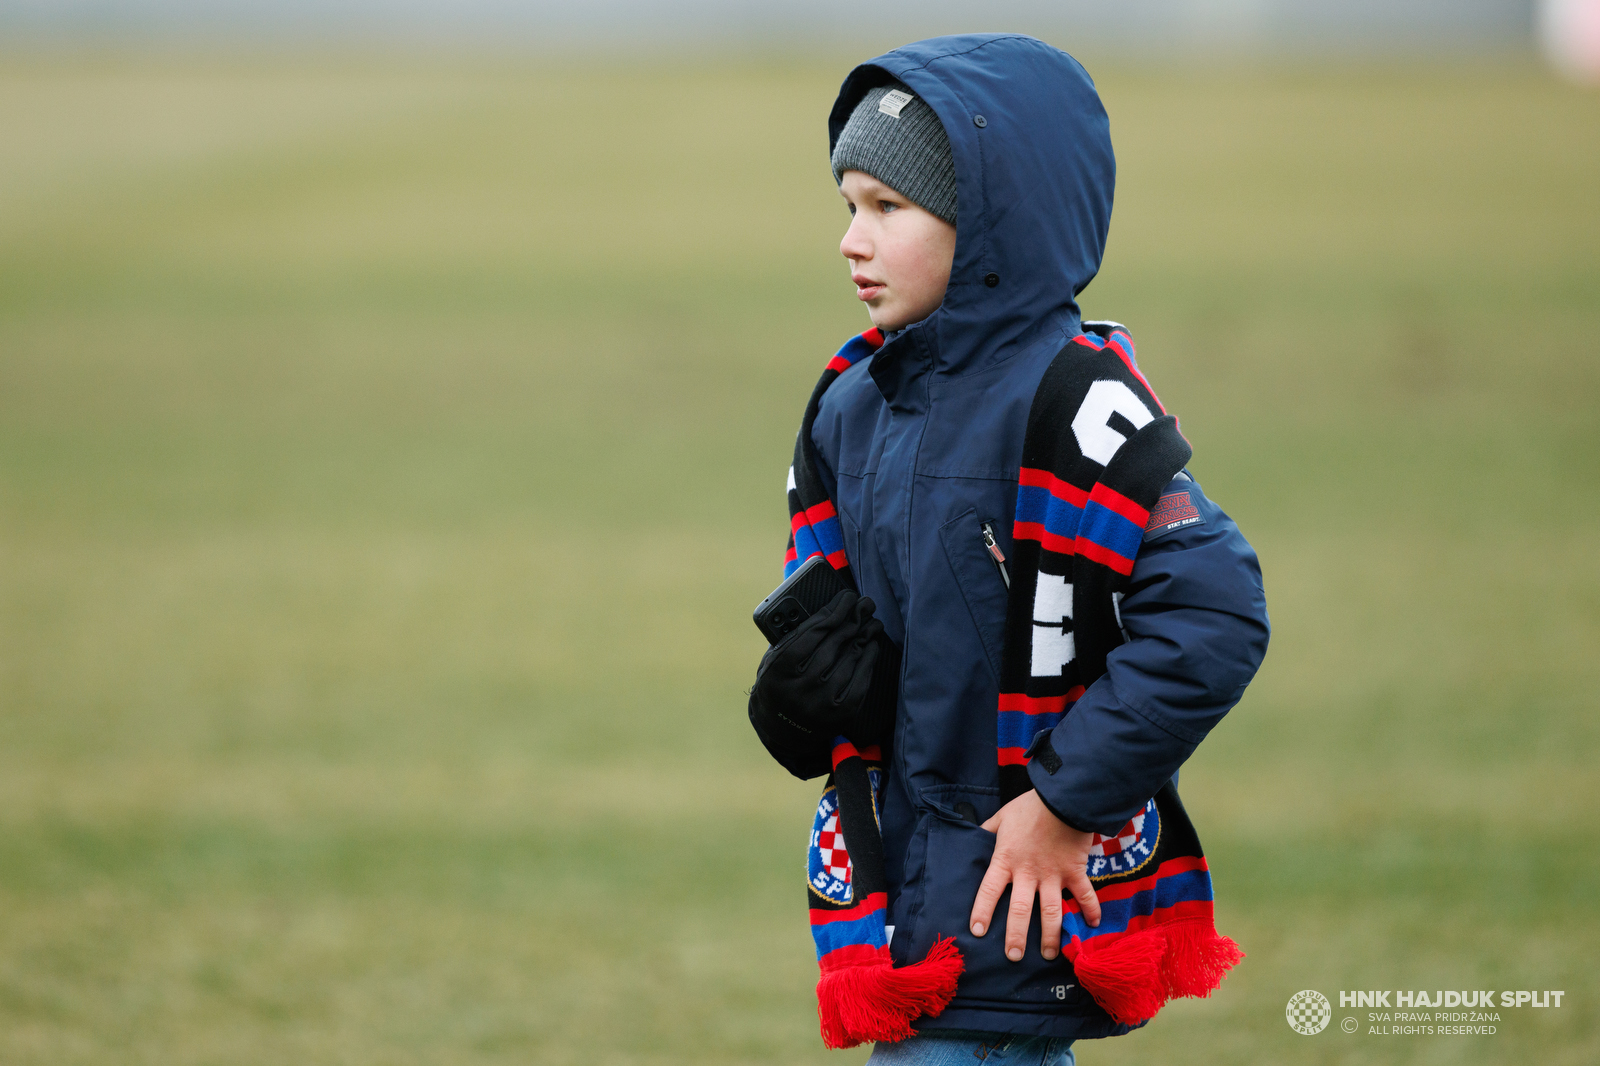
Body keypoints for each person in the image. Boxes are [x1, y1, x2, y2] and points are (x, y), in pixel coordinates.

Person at [747, 34, 1269, 1065]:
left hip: (1016, 892)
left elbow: (1213, 617)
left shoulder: (1076, 404)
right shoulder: (855, 402)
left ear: (991, 229)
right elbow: (840, 621)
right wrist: (801, 695)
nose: (852, 240)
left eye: (888, 210)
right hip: (901, 887)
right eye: (848, 205)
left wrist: (1067, 799)